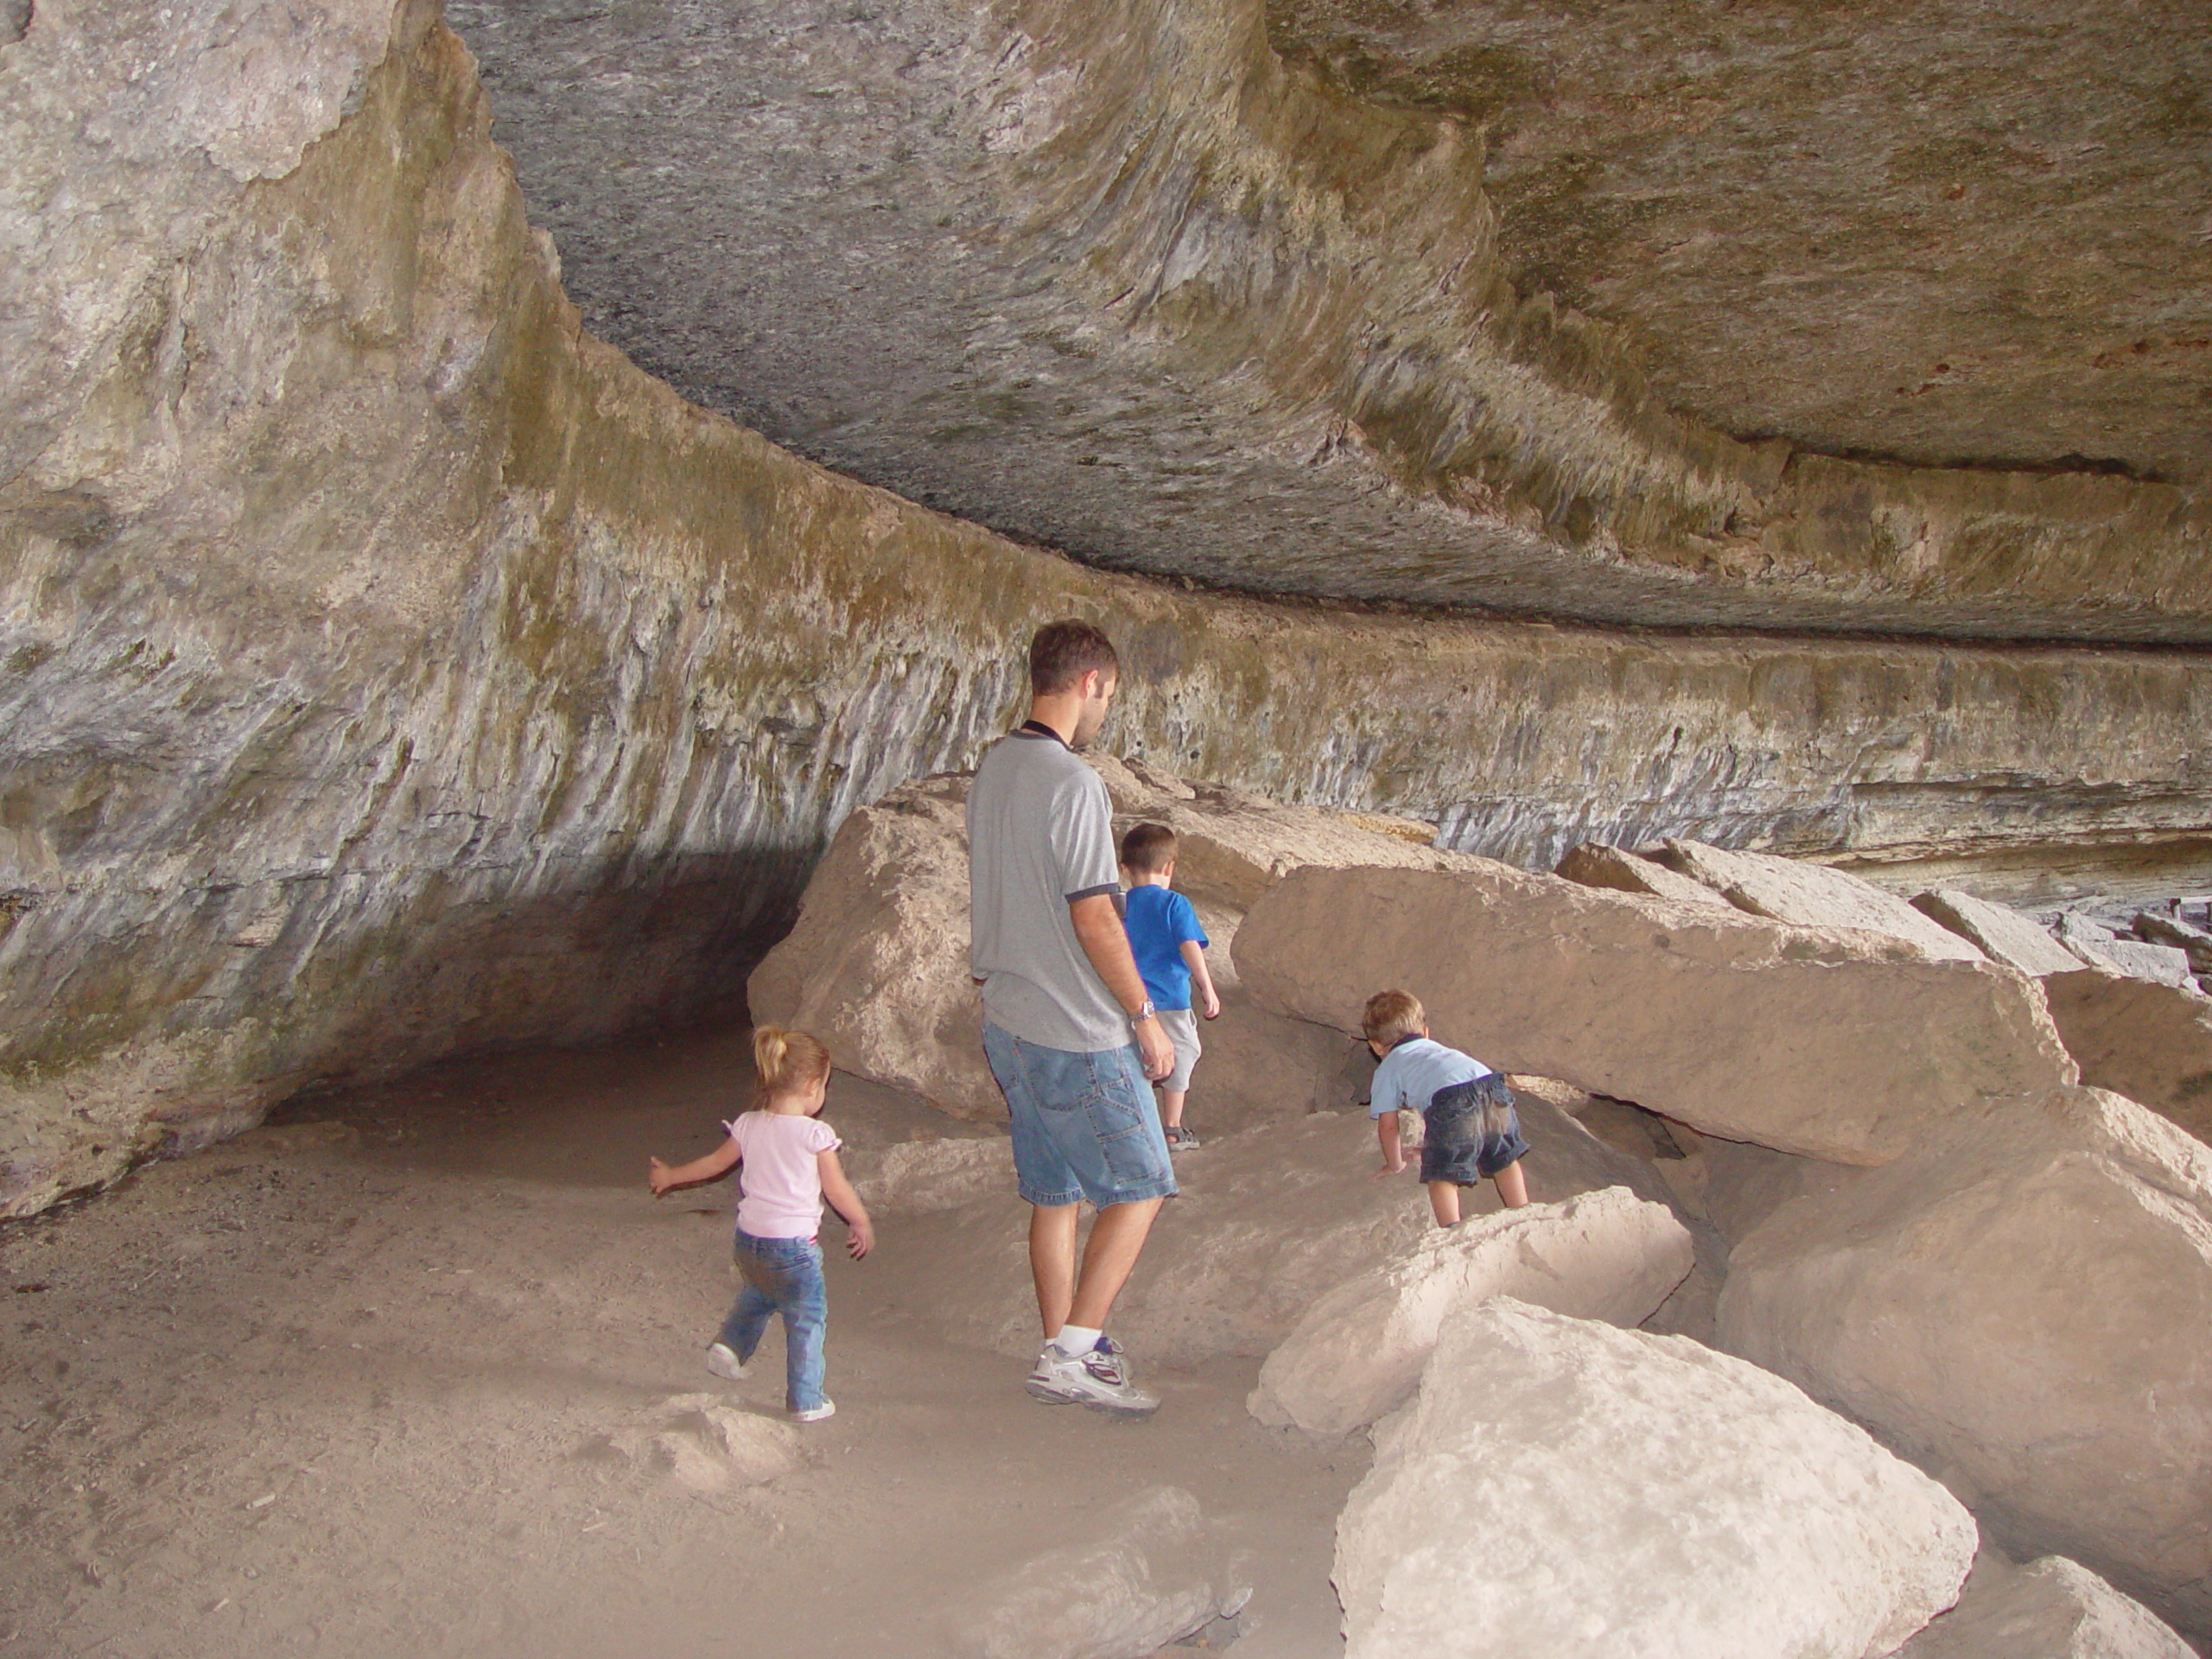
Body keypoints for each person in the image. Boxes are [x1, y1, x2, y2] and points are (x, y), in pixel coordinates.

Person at [967, 619, 1178, 1418]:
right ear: (1090, 682)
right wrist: (1144, 1014)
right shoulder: (1073, 781)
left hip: (1009, 1019)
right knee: (1143, 1186)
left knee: (1054, 1195)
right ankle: (1079, 1350)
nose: (1104, 712)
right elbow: (1095, 915)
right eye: (1108, 697)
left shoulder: (995, 767)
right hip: (1072, 1028)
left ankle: (1062, 1348)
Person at [646, 1026, 874, 1423]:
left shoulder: (749, 1123)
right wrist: (861, 1222)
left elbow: (714, 1164)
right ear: (809, 1085)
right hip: (793, 1248)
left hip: (749, 1241)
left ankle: (728, 1348)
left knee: (760, 1294)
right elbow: (836, 1190)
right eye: (824, 1085)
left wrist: (671, 1175)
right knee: (806, 1316)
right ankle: (806, 1398)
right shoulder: (814, 1134)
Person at [1363, 988, 1530, 1226]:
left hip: (1451, 1100)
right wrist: (1431, 1147)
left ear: (1376, 1046)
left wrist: (1395, 1164)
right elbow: (1468, 1127)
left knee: (1441, 1175)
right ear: (1425, 1033)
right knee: (1504, 1157)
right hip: (1491, 1085)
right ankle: (1523, 1211)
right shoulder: (1437, 1051)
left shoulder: (1388, 1068)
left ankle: (1452, 1229)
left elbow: (1389, 1126)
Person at [1117, 822, 1221, 1150]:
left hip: (1130, 1002)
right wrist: (1207, 987)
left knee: (1137, 1061)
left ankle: (1137, 1126)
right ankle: (1172, 1128)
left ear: (1124, 869)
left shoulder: (1117, 905)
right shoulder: (1175, 904)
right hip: (1172, 1000)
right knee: (1181, 1056)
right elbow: (1188, 945)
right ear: (1169, 867)